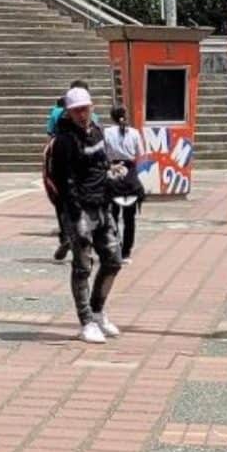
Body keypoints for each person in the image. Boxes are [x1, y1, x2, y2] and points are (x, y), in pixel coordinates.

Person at [45, 86, 136, 344]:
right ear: (68, 112)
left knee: (113, 260)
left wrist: (112, 172)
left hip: (102, 205)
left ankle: (97, 312)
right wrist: (74, 214)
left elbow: (100, 164)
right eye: (76, 111)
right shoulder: (64, 141)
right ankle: (86, 321)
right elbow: (64, 181)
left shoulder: (97, 131)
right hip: (79, 209)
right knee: (83, 266)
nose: (82, 114)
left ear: (91, 107)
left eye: (85, 109)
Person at [42, 79, 93, 262]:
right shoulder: (92, 118)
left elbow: (50, 134)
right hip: (82, 167)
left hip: (60, 157)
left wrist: (47, 155)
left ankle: (66, 237)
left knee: (61, 204)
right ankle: (78, 239)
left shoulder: (57, 112)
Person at [100, 106, 145, 262]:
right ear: (126, 116)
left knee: (112, 216)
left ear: (111, 117)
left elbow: (102, 153)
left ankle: (114, 249)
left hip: (113, 174)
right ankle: (126, 252)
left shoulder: (106, 133)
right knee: (129, 219)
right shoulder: (134, 133)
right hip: (130, 176)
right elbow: (140, 153)